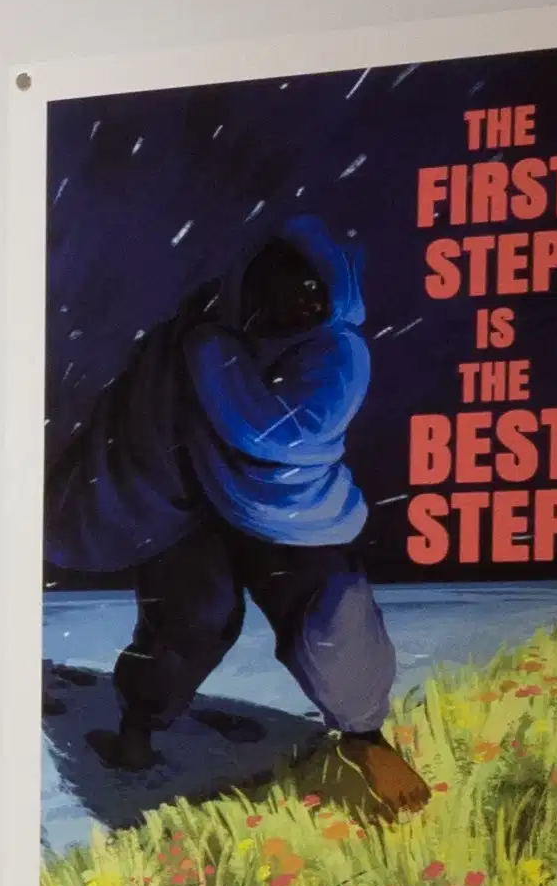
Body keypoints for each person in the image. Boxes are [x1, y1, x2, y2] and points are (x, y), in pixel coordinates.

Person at [44, 215, 428, 813]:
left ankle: (366, 738)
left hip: (293, 510)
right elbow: (139, 416)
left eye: (306, 292)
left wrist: (216, 358)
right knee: (190, 617)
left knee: (333, 611)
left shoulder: (336, 353)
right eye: (275, 289)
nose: (290, 304)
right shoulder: (195, 333)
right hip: (188, 501)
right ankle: (138, 729)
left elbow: (284, 438)